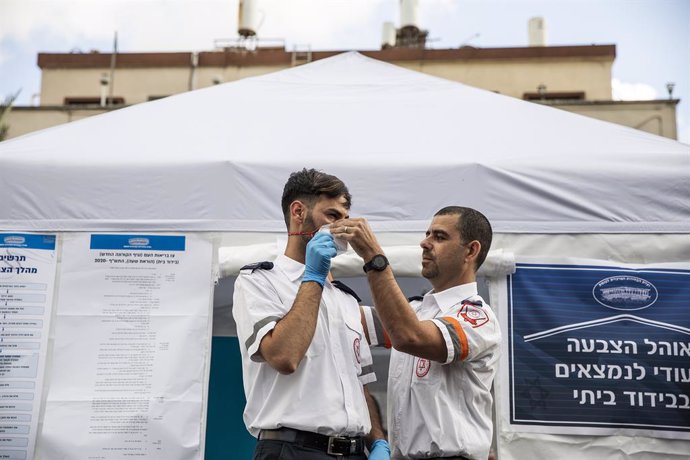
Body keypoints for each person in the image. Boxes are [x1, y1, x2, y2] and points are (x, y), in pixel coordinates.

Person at [232, 168, 390, 460]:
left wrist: (378, 440)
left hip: (353, 450)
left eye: (345, 218)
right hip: (292, 449)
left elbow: (358, 384)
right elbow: (284, 356)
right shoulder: (259, 281)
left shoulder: (344, 298)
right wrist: (314, 275)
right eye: (332, 216)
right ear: (298, 212)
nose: (343, 227)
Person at [333, 206, 501, 460]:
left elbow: (409, 336)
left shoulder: (478, 317)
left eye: (440, 237)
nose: (425, 243)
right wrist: (317, 269)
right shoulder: (417, 310)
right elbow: (341, 320)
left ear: (471, 250)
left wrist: (374, 257)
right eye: (427, 234)